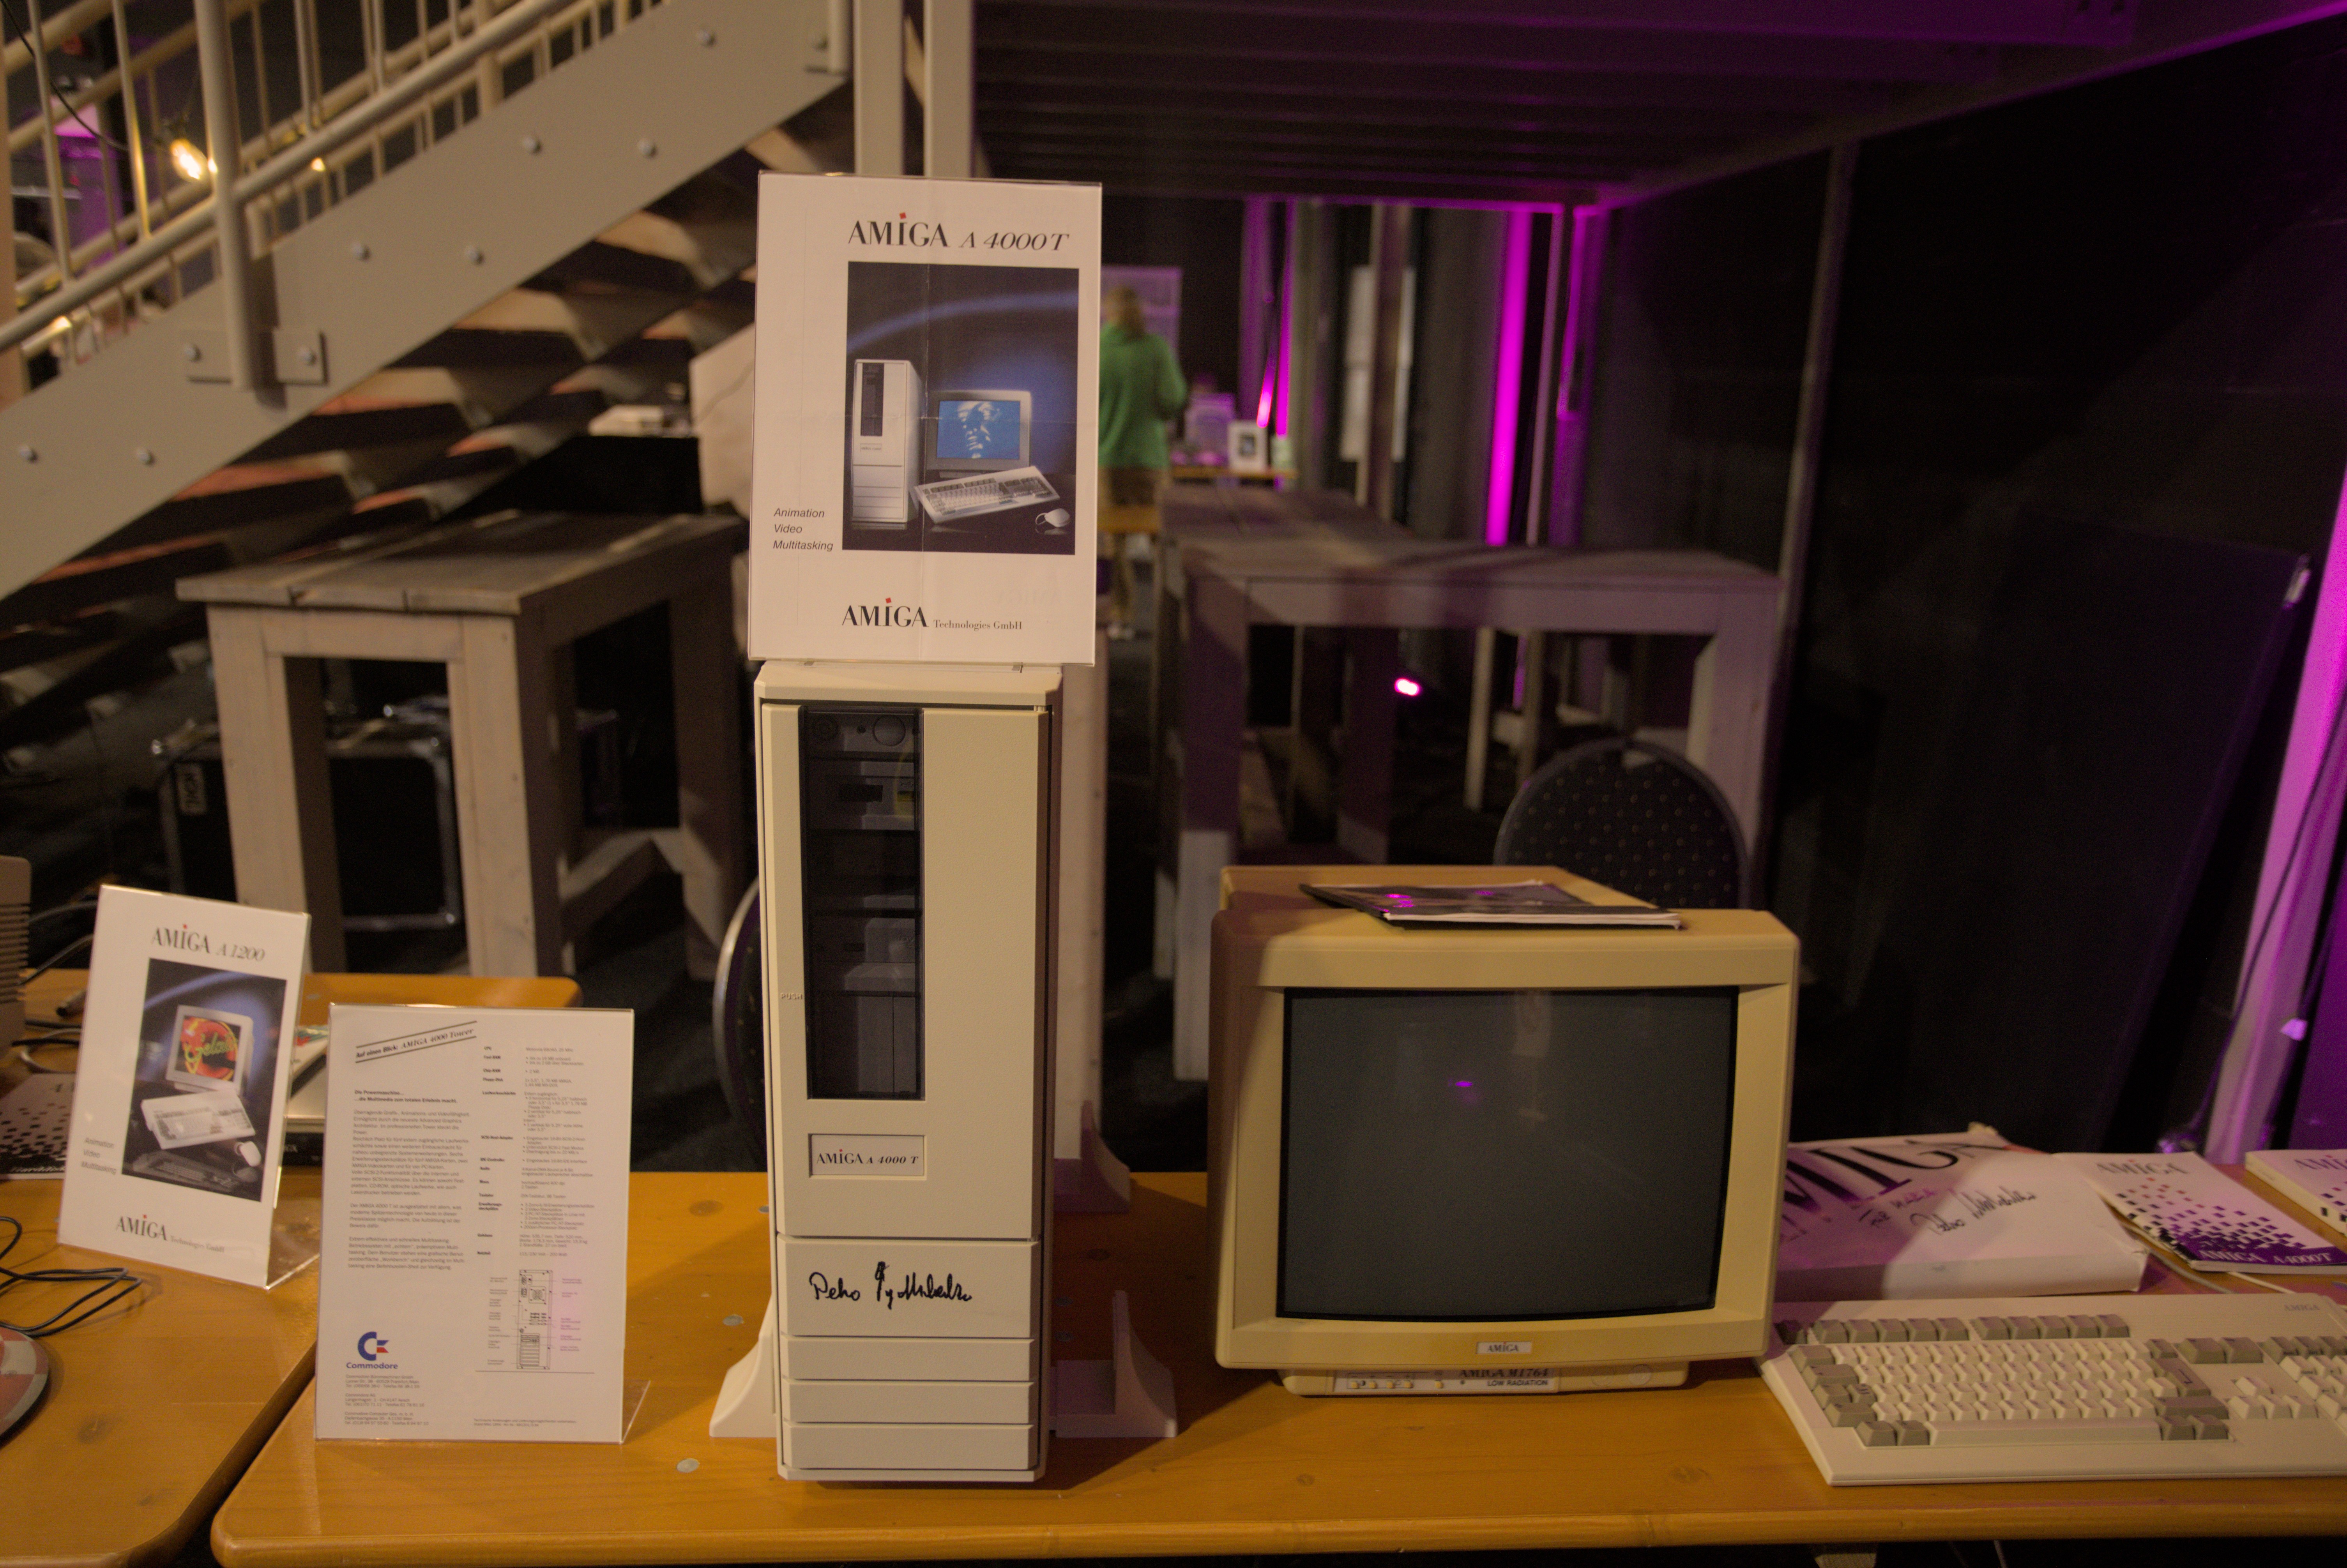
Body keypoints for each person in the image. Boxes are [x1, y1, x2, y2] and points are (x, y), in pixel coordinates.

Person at [1097, 285, 1185, 635]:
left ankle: (1122, 616)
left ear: (1108, 312)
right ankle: (1170, 620)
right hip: (1151, 461)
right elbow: (1173, 400)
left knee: (1114, 545)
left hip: (1107, 461)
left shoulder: (1098, 349)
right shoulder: (1156, 349)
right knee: (1163, 543)